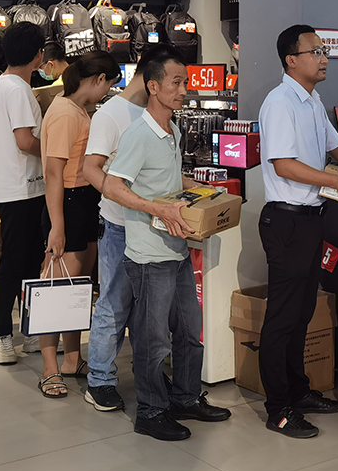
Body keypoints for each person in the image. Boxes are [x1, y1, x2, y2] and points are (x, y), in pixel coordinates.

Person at [101, 54, 231, 439]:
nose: (183, 90)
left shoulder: (172, 129)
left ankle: (186, 398)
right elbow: (113, 186)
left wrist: (200, 188)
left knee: (190, 331)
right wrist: (156, 208)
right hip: (148, 255)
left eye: (184, 82)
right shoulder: (139, 134)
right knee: (153, 339)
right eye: (175, 82)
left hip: (176, 250)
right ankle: (151, 411)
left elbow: (167, 179)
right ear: (153, 86)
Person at [256, 26, 338, 439]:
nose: (324, 58)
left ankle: (298, 391)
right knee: (282, 317)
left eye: (324, 51)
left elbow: (336, 146)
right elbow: (284, 165)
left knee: (303, 311)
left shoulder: (312, 101)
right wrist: (336, 180)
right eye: (315, 51)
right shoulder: (280, 102)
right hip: (285, 221)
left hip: (309, 219)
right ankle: (278, 408)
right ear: (291, 60)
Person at [80, 43, 184, 413]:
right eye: (175, 79)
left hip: (155, 227)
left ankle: (150, 378)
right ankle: (100, 380)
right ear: (153, 76)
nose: (181, 89)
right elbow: (91, 168)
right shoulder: (111, 114)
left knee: (151, 314)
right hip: (120, 225)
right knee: (114, 302)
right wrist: (123, 197)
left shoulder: (162, 116)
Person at [37, 51, 120, 399]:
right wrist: (57, 226)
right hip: (67, 203)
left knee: (78, 287)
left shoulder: (78, 109)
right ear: (98, 79)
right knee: (57, 288)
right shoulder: (64, 112)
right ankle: (49, 367)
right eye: (109, 85)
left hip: (84, 201)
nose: (107, 92)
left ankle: (72, 358)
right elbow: (53, 172)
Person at [0, 22, 48, 365]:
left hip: (17, 187)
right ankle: (2, 335)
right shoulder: (18, 89)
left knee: (23, 262)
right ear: (38, 55)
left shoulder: (5, 83)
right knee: (15, 264)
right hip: (22, 188)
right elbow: (25, 141)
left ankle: (29, 332)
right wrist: (55, 150)